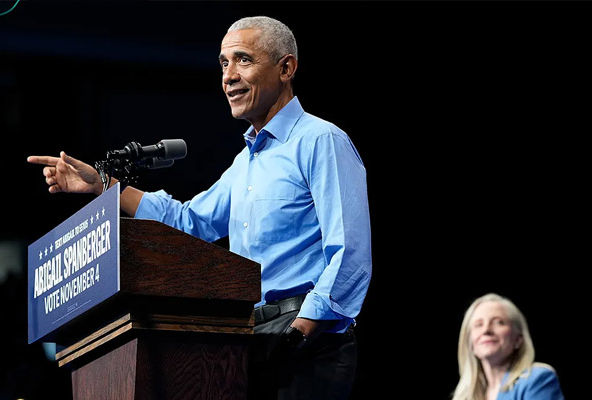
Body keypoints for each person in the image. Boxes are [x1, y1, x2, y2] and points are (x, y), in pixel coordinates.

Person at [27, 16, 371, 400]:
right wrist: (104, 186)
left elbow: (351, 252)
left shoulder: (321, 140)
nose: (229, 76)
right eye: (224, 63)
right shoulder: (245, 164)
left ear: (286, 68)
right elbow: (189, 222)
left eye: (243, 60)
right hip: (249, 339)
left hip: (306, 342)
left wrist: (303, 329)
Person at [452, 293, 564, 400]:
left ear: (518, 339)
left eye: (499, 322)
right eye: (478, 324)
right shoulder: (464, 396)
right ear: (470, 343)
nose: (486, 330)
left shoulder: (537, 379)